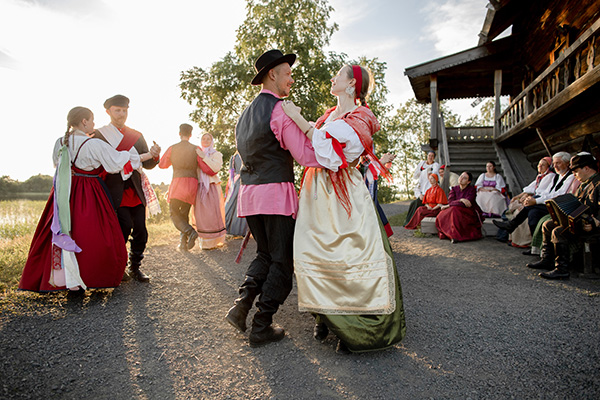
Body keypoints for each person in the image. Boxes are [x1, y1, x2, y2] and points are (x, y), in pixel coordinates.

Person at [281, 64, 406, 353]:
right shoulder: (327, 116)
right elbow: (314, 146)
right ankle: (324, 316)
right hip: (316, 191)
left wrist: (296, 118)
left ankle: (354, 325)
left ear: (351, 84)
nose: (332, 77)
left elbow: (332, 152)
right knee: (314, 251)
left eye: (338, 75)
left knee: (348, 254)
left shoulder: (361, 118)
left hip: (344, 191)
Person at [225, 50, 321, 347]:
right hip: (275, 194)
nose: (291, 79)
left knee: (265, 254)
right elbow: (305, 155)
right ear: (272, 75)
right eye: (287, 73)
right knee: (281, 261)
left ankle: (241, 307)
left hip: (249, 194)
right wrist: (334, 152)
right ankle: (261, 325)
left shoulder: (245, 113)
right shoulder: (280, 110)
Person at [19, 107, 136, 293]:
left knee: (66, 230)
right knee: (91, 234)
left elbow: (56, 164)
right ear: (84, 121)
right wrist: (133, 156)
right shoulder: (93, 144)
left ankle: (66, 279)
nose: (94, 124)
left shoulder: (60, 142)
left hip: (64, 191)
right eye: (92, 120)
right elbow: (115, 163)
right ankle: (89, 276)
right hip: (89, 191)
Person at [94, 95, 161, 283]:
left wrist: (155, 155)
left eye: (124, 110)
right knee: (122, 228)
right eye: (117, 110)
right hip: (113, 188)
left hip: (135, 188)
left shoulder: (136, 135)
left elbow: (147, 163)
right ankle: (118, 266)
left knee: (141, 230)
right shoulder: (99, 135)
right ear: (108, 112)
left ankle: (135, 267)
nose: (122, 114)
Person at [526, 152, 600, 279]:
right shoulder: (584, 184)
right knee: (548, 225)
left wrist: (596, 222)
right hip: (580, 221)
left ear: (587, 168)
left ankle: (562, 269)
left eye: (576, 171)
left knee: (559, 232)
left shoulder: (598, 184)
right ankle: (547, 260)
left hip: (592, 226)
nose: (574, 174)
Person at [158, 123, 201, 251]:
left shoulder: (173, 148)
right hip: (192, 183)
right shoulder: (196, 149)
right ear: (191, 135)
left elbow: (162, 165)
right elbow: (204, 166)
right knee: (183, 213)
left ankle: (190, 232)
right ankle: (183, 244)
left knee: (174, 213)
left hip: (178, 182)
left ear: (179, 134)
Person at [493, 156, 555, 236]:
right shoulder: (540, 176)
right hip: (536, 200)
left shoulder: (550, 176)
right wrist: (518, 196)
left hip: (542, 202)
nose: (539, 166)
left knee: (525, 211)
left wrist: (527, 198)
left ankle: (510, 227)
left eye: (543, 165)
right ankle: (508, 228)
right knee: (518, 208)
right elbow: (530, 188)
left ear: (548, 167)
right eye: (539, 164)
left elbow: (539, 191)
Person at [192, 133, 226, 249]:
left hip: (211, 186)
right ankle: (204, 243)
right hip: (200, 186)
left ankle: (215, 241)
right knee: (201, 215)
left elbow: (215, 168)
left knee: (212, 214)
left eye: (208, 139)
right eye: (203, 138)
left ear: (212, 141)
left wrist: (204, 157)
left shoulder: (216, 154)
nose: (205, 141)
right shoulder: (196, 154)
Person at [435, 171, 483, 243]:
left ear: (468, 182)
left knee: (454, 210)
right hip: (454, 210)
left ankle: (455, 236)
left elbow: (467, 204)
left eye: (464, 178)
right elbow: (451, 201)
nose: (461, 178)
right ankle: (451, 234)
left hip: (468, 212)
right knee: (442, 214)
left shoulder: (472, 190)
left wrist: (449, 205)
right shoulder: (454, 189)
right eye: (461, 176)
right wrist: (461, 200)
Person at [359, 152, 395, 237]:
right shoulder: (360, 151)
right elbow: (362, 169)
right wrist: (382, 162)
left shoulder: (368, 152)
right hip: (362, 195)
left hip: (370, 192)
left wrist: (383, 161)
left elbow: (370, 168)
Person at [404, 150, 439, 225]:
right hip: (422, 192)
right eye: (429, 155)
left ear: (434, 158)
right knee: (413, 203)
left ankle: (413, 223)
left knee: (417, 203)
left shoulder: (435, 165)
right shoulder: (422, 164)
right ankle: (408, 221)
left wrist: (429, 172)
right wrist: (419, 195)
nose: (430, 157)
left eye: (432, 156)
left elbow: (434, 174)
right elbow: (415, 176)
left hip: (429, 194)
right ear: (427, 156)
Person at [224, 151, 248, 237]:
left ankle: (226, 226)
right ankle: (240, 229)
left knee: (231, 204)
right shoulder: (246, 154)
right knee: (241, 204)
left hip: (235, 182)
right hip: (244, 181)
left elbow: (231, 173)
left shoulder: (233, 157)